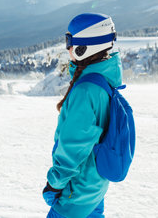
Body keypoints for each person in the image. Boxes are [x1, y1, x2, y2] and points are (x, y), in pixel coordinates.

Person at [42, 13, 123, 218]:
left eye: (70, 41)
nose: (67, 48)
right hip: (94, 186)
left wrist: (55, 183)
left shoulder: (85, 90)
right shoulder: (104, 78)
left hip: (76, 191)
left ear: (85, 45)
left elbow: (74, 145)